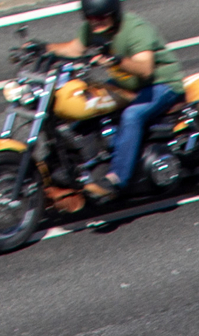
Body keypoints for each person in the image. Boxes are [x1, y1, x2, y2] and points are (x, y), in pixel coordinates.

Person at [46, 0, 182, 199]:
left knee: (132, 115)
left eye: (101, 17)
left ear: (114, 13)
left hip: (161, 84)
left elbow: (145, 69)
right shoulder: (92, 28)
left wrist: (117, 60)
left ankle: (117, 178)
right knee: (87, 99)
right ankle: (82, 163)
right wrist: (43, 48)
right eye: (90, 17)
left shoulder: (136, 29)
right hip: (126, 83)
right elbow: (74, 49)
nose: (95, 22)